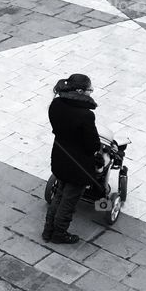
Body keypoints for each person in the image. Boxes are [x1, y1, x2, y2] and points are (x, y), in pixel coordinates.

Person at [43, 74, 101, 245]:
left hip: (60, 156)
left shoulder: (56, 104)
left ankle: (48, 230)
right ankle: (59, 233)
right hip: (78, 165)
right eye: (90, 89)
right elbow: (92, 145)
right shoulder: (86, 115)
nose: (91, 92)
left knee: (59, 195)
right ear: (80, 91)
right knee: (69, 201)